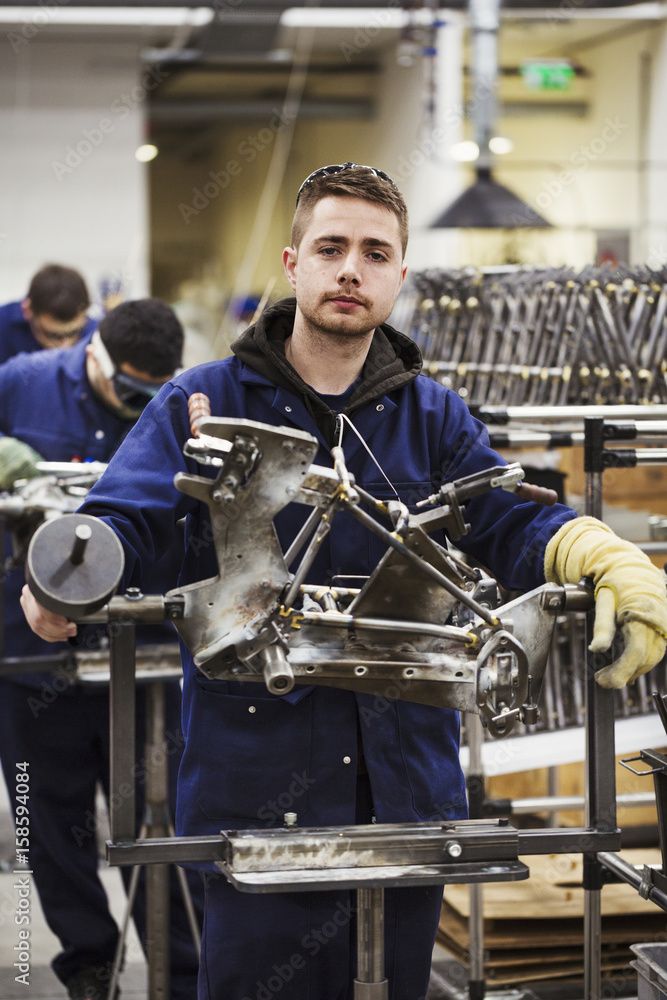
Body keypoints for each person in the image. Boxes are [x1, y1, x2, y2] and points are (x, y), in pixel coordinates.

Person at [22, 164, 667, 999]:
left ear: (399, 275)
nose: (350, 269)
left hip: (403, 791)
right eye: (330, 247)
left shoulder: (432, 417)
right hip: (254, 788)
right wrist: (69, 572)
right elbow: (126, 520)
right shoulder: (203, 400)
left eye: (374, 252)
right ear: (293, 265)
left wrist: (598, 550)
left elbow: (506, 519)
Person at [0, 299, 202, 1000]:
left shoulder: (179, 407)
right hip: (29, 653)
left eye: (156, 390)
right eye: (131, 388)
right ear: (94, 353)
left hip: (143, 650)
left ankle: (180, 970)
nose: (141, 403)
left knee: (159, 817)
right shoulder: (20, 382)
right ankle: (88, 966)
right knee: (47, 819)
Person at [0, 263, 97, 364]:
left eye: (73, 333)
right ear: (27, 310)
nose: (65, 346)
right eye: (53, 336)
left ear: (85, 315)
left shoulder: (96, 333)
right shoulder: (3, 324)